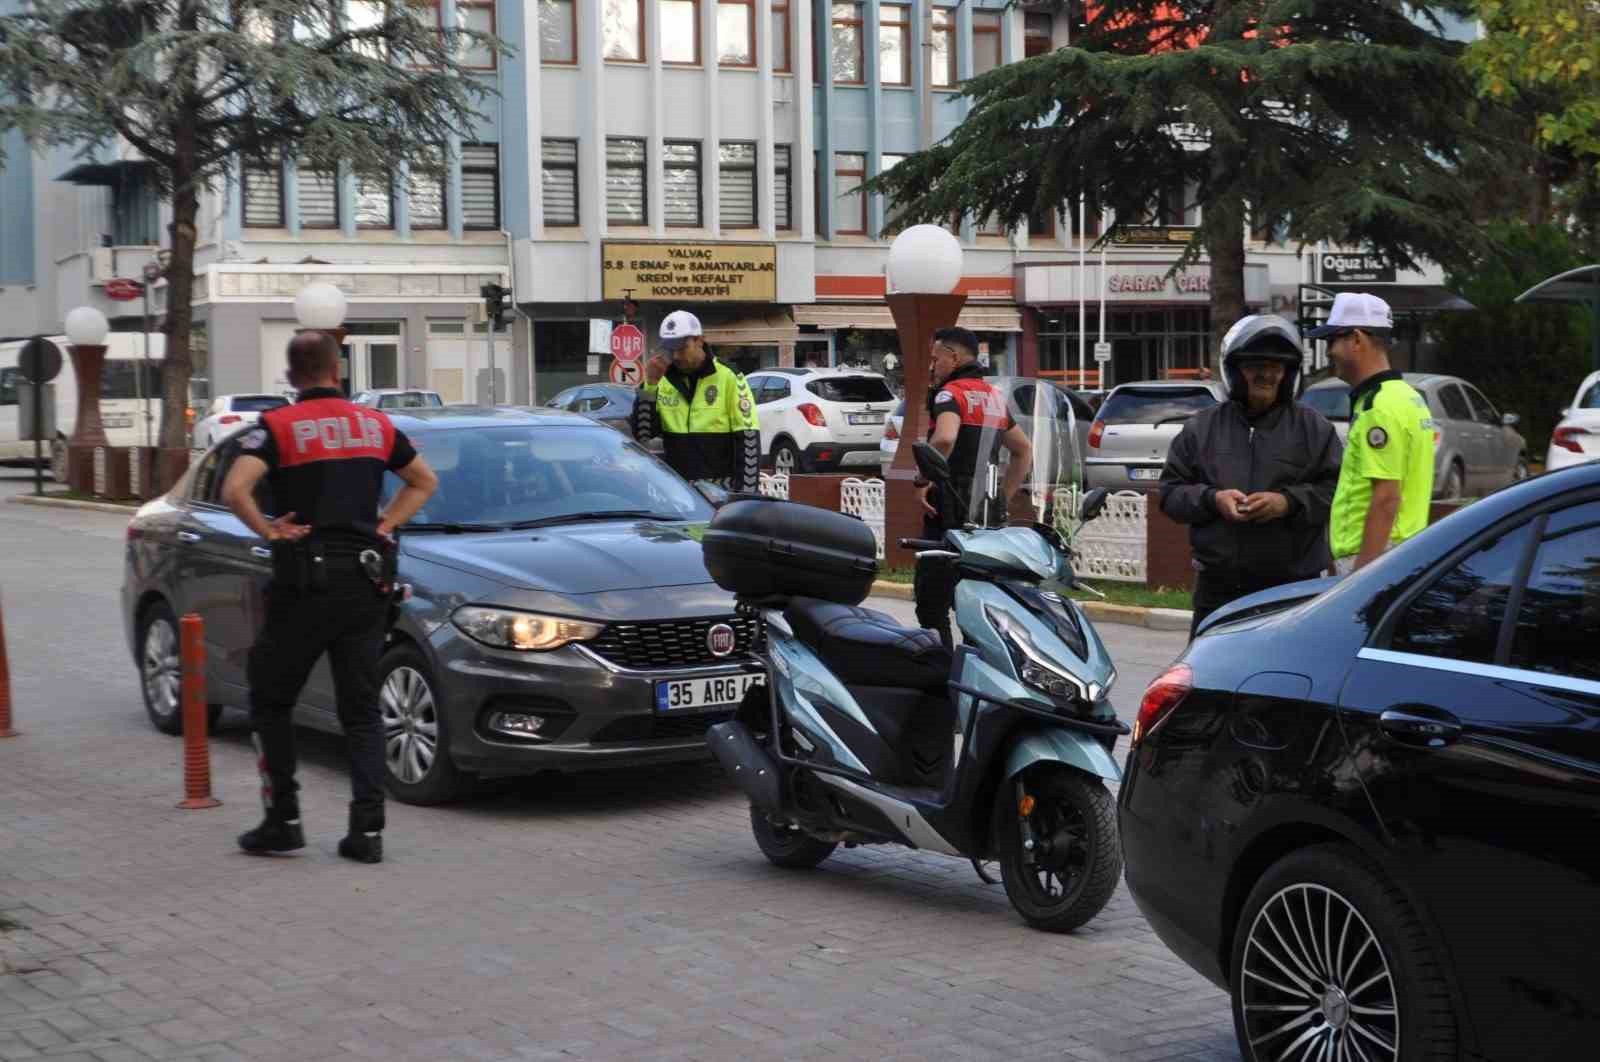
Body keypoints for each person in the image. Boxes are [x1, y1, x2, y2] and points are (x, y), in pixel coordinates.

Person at [220, 331, 438, 864]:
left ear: (293, 376)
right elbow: (423, 481)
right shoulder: (375, 425)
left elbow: (234, 489)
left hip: (303, 585)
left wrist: (269, 530)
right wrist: (384, 524)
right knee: (361, 710)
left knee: (271, 699)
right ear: (337, 370)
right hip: (365, 583)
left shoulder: (277, 426)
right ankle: (367, 832)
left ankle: (283, 820)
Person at [1160, 314, 1344, 637]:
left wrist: (1287, 503)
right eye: (1255, 365)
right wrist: (1212, 499)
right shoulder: (1201, 428)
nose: (1267, 375)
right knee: (1208, 668)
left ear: (1288, 373)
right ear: (1235, 371)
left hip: (1291, 590)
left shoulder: (1314, 429)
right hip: (1218, 589)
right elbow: (1170, 493)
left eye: (1276, 366)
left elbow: (1337, 492)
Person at [913, 327, 1033, 649]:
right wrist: (1003, 498)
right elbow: (1023, 450)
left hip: (947, 512)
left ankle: (942, 667)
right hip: (986, 516)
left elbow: (945, 438)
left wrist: (923, 479)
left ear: (952, 357)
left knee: (932, 603)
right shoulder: (993, 397)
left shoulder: (949, 394)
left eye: (935, 359)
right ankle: (979, 663)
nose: (933, 367)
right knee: (977, 601)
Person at [1305, 292, 1436, 574]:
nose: (1328, 352)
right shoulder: (1408, 397)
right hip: (1399, 552)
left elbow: (1387, 498)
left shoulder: (1378, 405)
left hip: (1373, 558)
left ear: (1356, 339)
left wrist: (1361, 577)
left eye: (1332, 340)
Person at [632, 310, 761, 492]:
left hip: (720, 492)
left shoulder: (729, 377)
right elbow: (642, 434)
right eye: (671, 349)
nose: (676, 356)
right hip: (677, 492)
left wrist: (746, 496)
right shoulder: (661, 379)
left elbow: (748, 440)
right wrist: (650, 385)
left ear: (700, 340)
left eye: (682, 348)